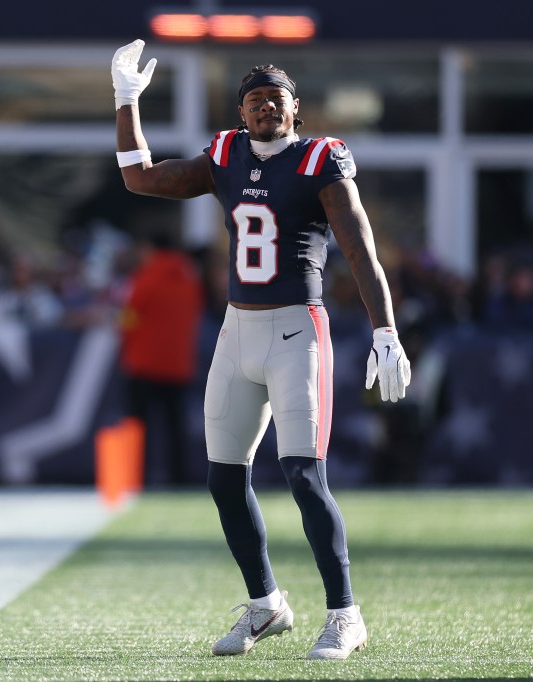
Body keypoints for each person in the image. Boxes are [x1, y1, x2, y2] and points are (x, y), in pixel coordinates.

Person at [111, 40, 411, 660]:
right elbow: (140, 179)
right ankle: (266, 603)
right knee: (224, 480)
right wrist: (126, 103)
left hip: (298, 329)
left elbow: (360, 249)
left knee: (303, 474)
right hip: (236, 331)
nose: (265, 108)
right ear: (241, 113)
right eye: (255, 100)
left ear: (296, 108)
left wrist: (385, 330)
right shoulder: (224, 154)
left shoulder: (320, 159)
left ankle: (345, 615)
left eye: (276, 99)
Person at [118, 226, 205, 487]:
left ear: (151, 249)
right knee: (175, 429)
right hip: (178, 366)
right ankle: (178, 480)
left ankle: (135, 478)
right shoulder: (190, 279)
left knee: (137, 427)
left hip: (144, 364)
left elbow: (129, 318)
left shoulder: (144, 278)